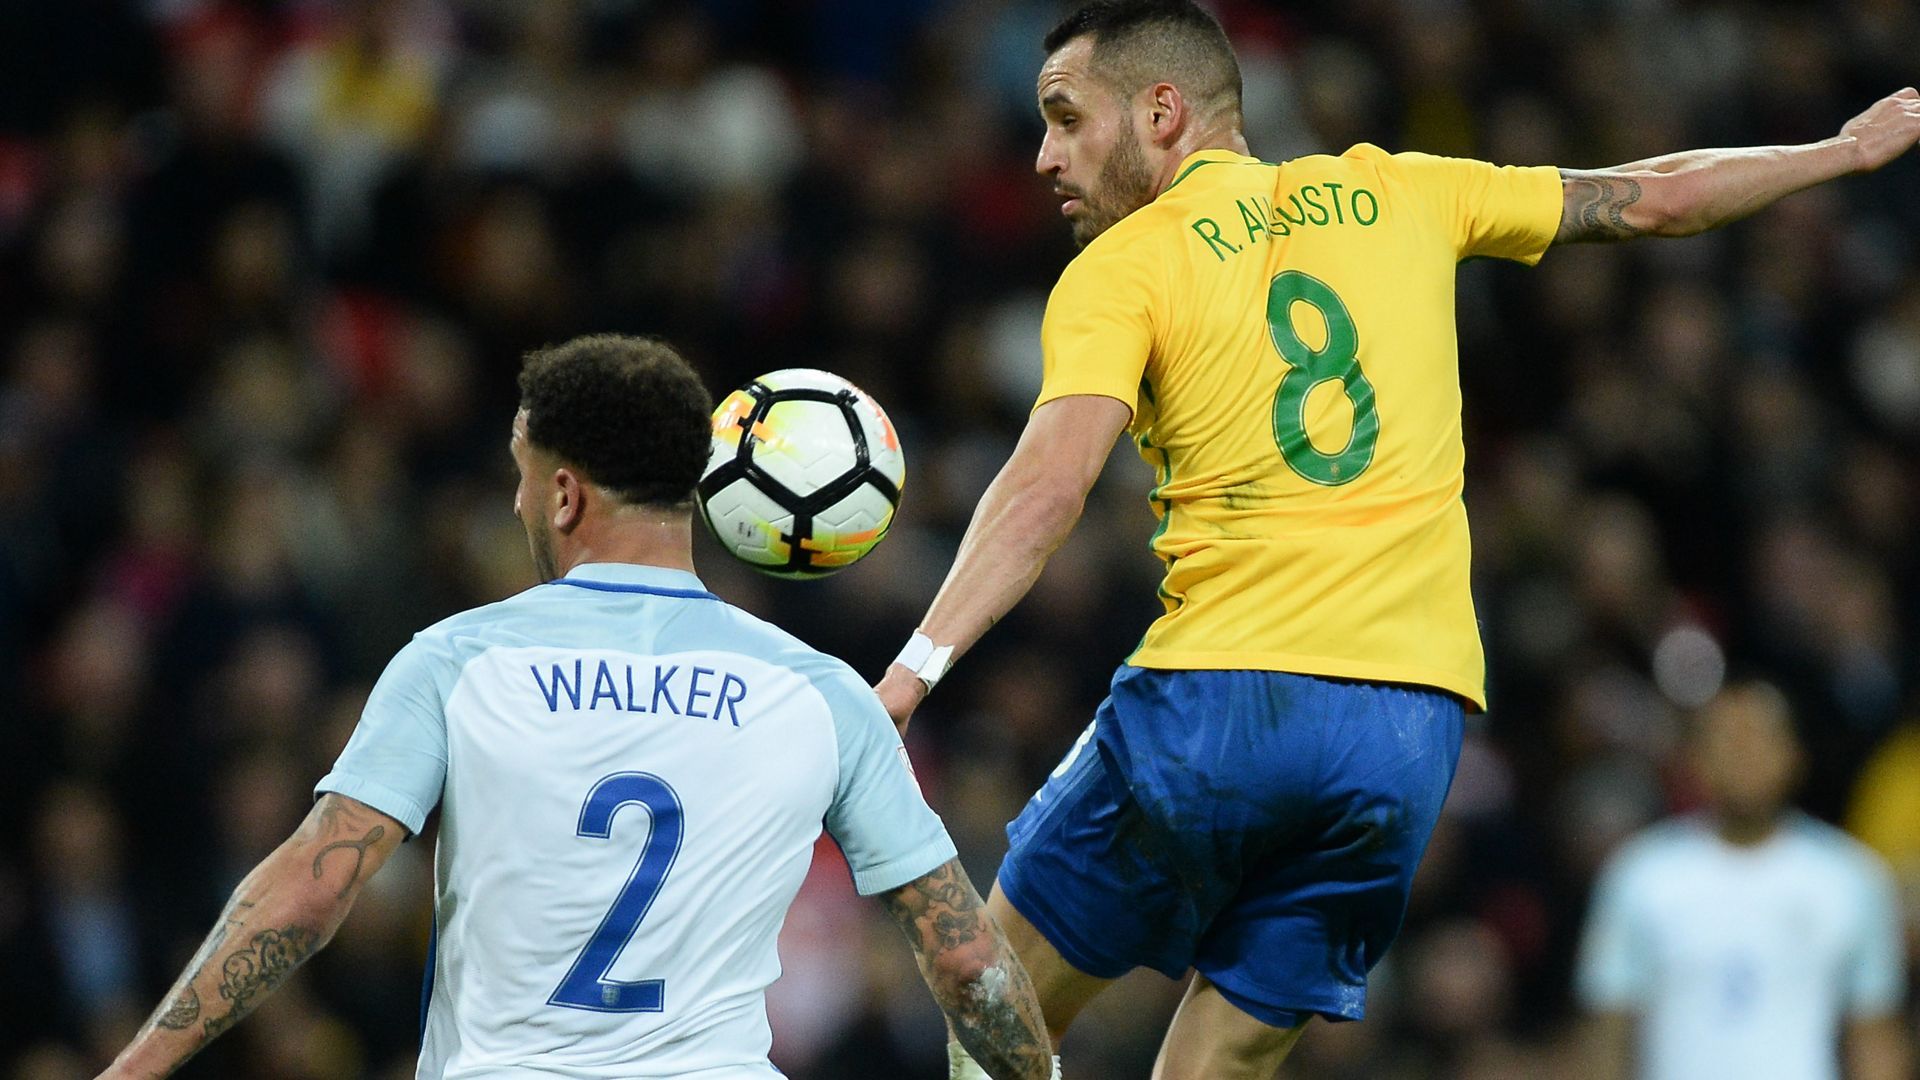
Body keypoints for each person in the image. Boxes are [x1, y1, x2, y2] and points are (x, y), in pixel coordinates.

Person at [869, 1, 1920, 1076]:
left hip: (1223, 694)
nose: (1044, 155)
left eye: (1064, 118)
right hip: (1409, 736)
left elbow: (1047, 486)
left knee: (987, 999)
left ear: (1163, 111)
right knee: (1220, 1059)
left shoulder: (1125, 266)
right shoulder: (1401, 189)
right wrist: (1837, 153)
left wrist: (907, 678)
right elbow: (1655, 198)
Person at [97, 335, 1057, 1080]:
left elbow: (313, 885)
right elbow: (967, 959)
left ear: (562, 494)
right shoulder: (821, 693)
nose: (516, 504)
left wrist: (136, 1067)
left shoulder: (458, 662)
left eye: (520, 475)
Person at [1577, 682, 1912, 1080]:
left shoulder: (1849, 878)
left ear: (1794, 754)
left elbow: (1874, 1036)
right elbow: (1608, 1033)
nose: (1744, 757)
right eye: (1728, 742)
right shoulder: (1641, 874)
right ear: (1696, 759)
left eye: (1759, 740)